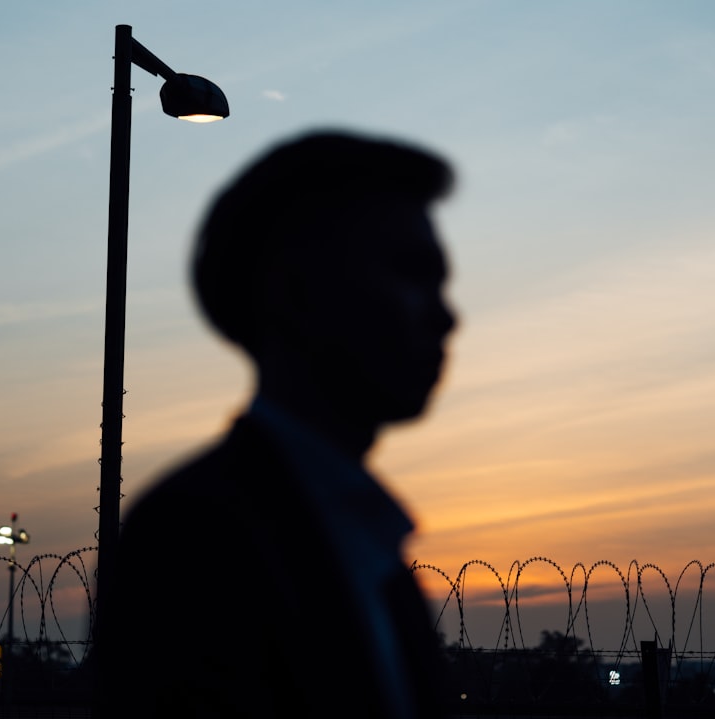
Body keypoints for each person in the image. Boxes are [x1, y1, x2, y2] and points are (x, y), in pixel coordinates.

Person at [95, 130, 457, 717]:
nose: (446, 315)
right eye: (410, 274)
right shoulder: (193, 540)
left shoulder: (372, 544)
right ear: (294, 293)